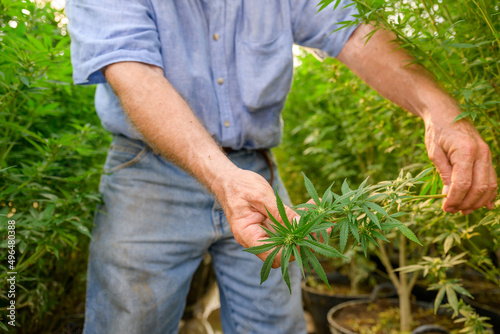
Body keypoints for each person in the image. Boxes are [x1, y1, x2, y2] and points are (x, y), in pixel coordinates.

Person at [66, 0, 497, 333]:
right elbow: (134, 75)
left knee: (275, 324)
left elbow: (355, 30)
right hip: (149, 176)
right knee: (128, 322)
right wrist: (222, 178)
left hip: (256, 175)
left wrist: (439, 109)